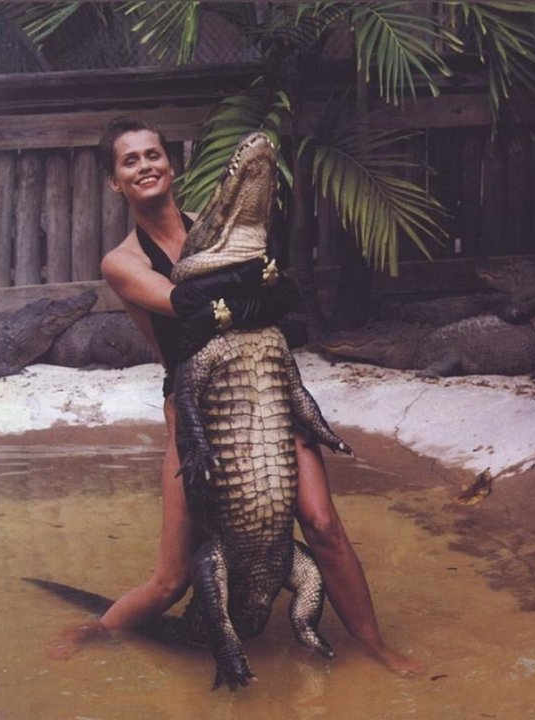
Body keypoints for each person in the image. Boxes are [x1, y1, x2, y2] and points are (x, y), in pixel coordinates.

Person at [49, 116, 425, 678]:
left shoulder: (219, 223)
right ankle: (93, 629)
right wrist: (254, 284)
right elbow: (190, 307)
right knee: (171, 579)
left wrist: (257, 290)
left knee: (322, 525)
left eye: (153, 154)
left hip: (265, 384)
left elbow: (282, 295)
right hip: (197, 406)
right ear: (114, 180)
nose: (145, 166)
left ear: (170, 164)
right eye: (130, 160)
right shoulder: (122, 262)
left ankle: (375, 645)